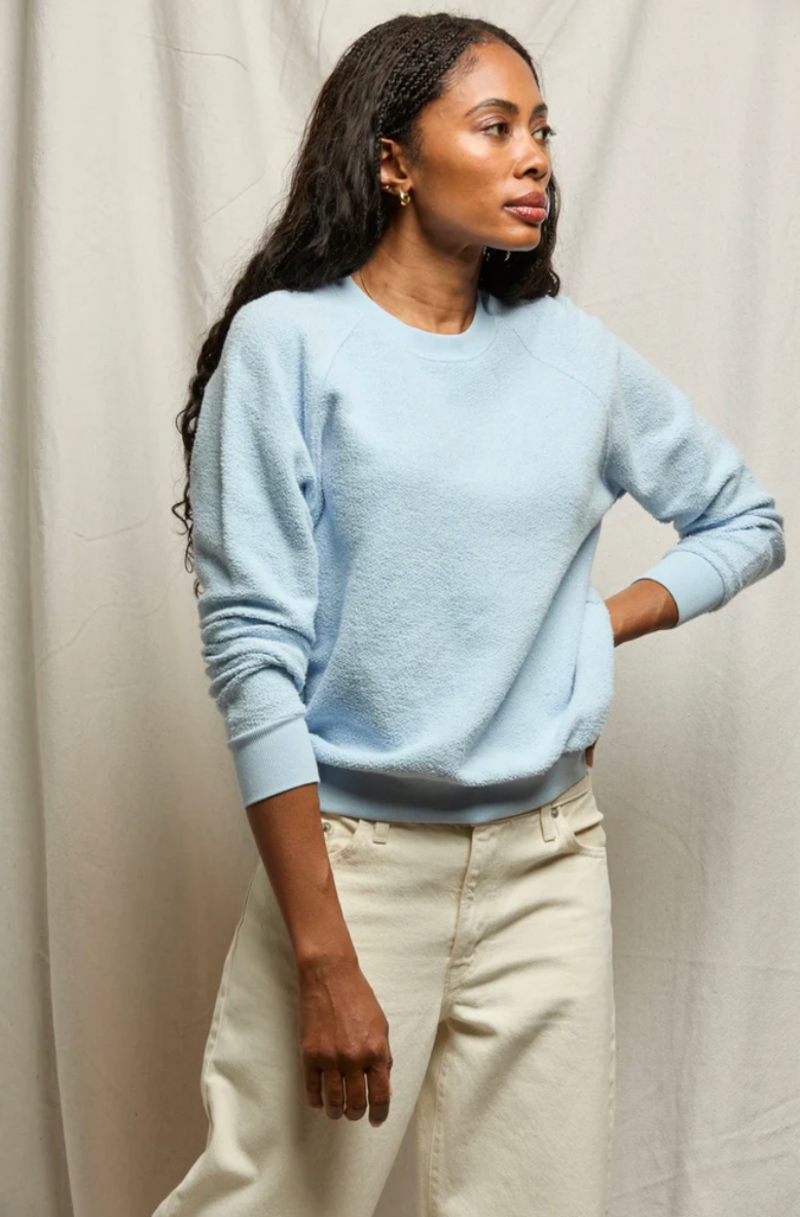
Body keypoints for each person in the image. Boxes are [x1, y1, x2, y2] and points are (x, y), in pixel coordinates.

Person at [154, 12, 786, 1217]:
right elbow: (252, 655)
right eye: (493, 127)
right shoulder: (289, 345)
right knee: (269, 1200)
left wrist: (593, 625)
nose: (532, 154)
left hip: (549, 862)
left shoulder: (571, 356)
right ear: (392, 159)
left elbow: (744, 518)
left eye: (539, 129)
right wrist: (322, 955)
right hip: (354, 863)